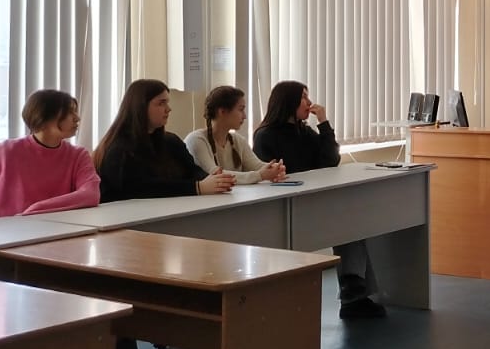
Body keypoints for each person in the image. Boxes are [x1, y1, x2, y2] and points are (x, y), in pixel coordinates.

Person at [253, 80, 386, 320]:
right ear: (289, 102)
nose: (309, 102)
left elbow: (330, 160)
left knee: (352, 221)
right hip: (286, 204)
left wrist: (324, 123)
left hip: (315, 198)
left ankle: (354, 290)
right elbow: (272, 173)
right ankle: (352, 289)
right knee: (343, 222)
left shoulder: (304, 132)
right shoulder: (265, 136)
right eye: (303, 97)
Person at [0, 89, 101, 217]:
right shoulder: (4, 152)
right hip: (2, 231)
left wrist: (35, 209)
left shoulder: (78, 155)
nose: (77, 118)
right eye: (69, 112)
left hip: (57, 230)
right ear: (44, 117)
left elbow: (91, 194)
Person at [93, 79, 234, 202]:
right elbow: (141, 188)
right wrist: (197, 187)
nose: (168, 109)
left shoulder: (171, 141)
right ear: (141, 107)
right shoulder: (118, 150)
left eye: (167, 103)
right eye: (161, 103)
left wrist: (214, 180)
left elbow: (193, 170)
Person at [184, 86, 286, 186]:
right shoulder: (196, 140)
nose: (245, 116)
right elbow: (216, 175)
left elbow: (256, 165)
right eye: (241, 109)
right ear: (222, 112)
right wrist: (260, 175)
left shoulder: (238, 140)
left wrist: (275, 168)